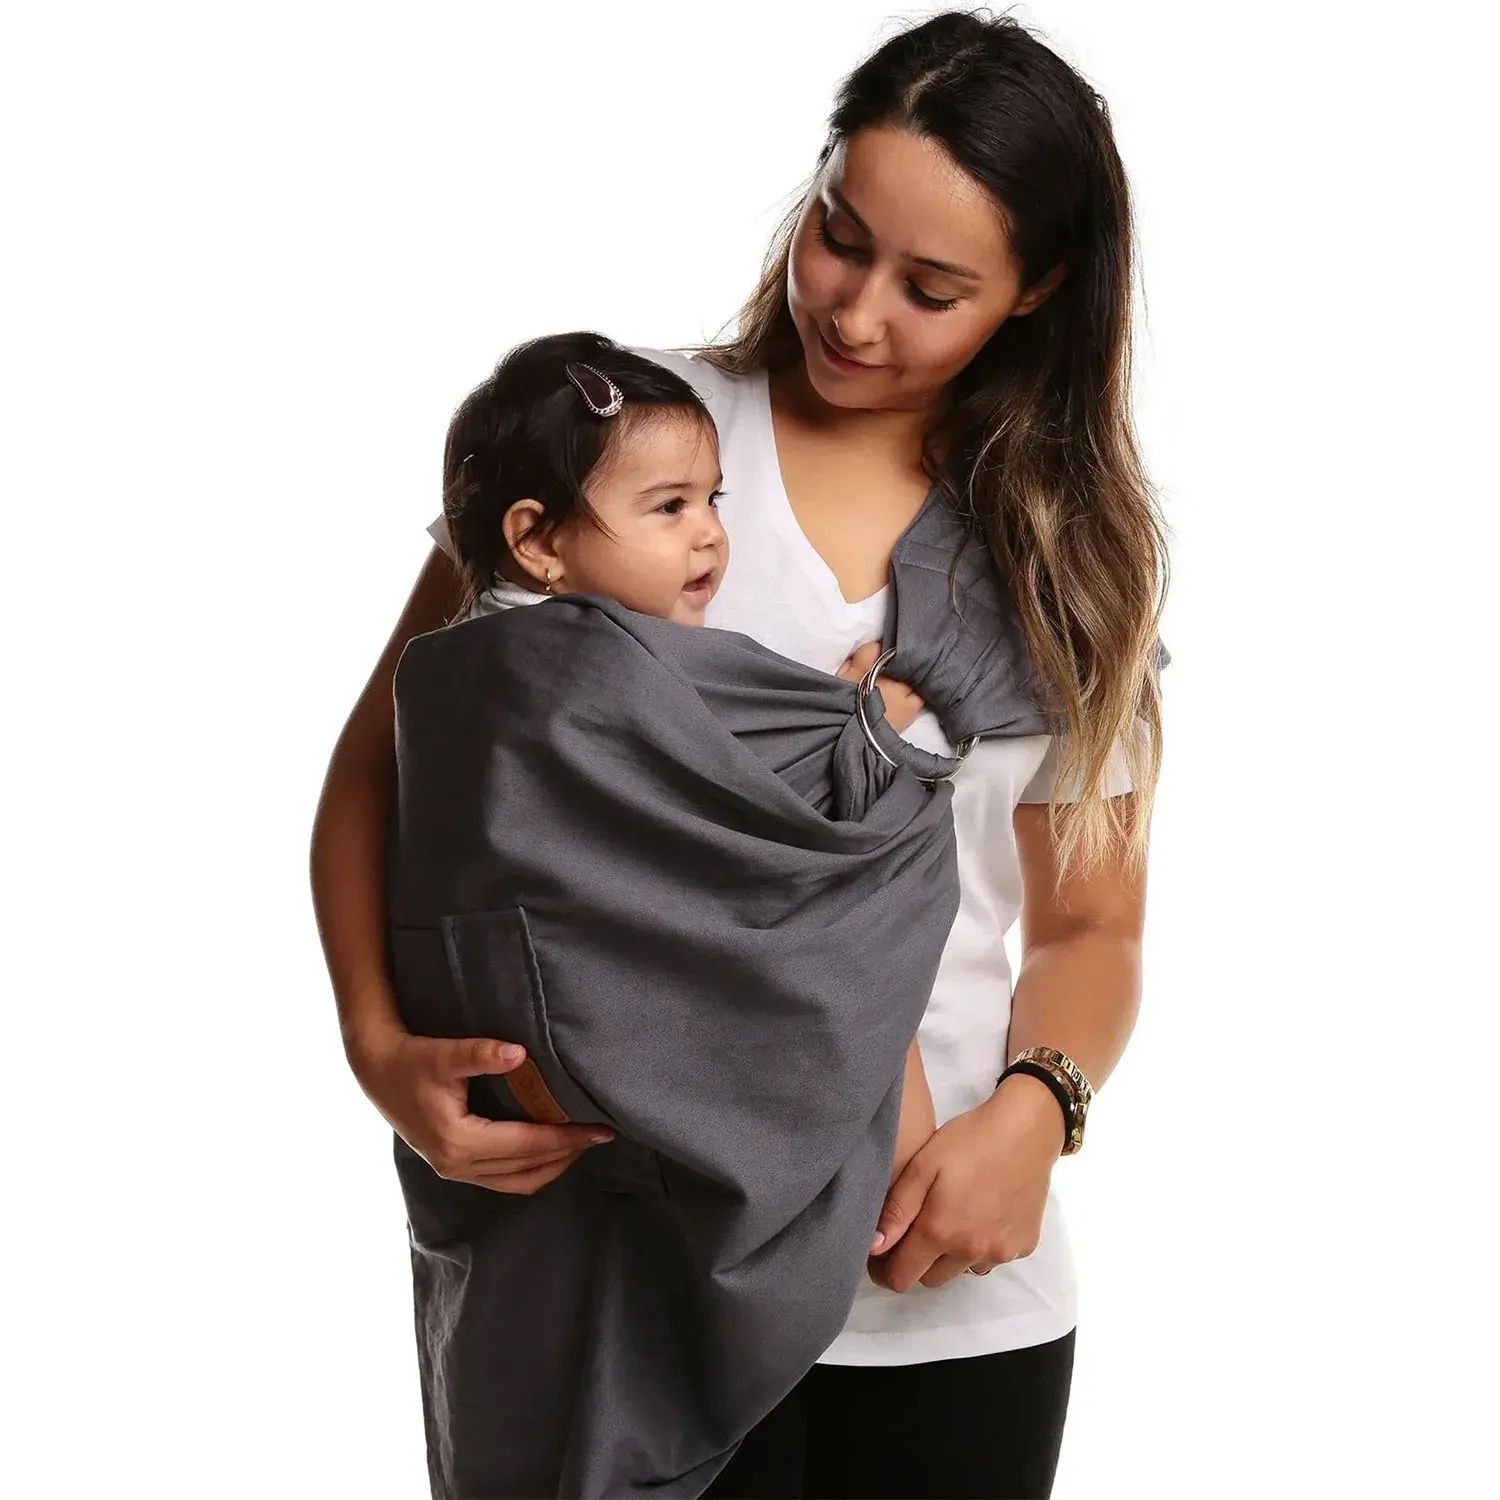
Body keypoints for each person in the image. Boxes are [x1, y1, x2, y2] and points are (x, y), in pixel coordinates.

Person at [311, 10, 1166, 1498]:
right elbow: (386, 768)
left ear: (1037, 292)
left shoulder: (1064, 558)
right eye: (842, 235)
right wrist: (380, 1048)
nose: (857, 312)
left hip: (943, 1286)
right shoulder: (620, 441)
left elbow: (1090, 926)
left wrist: (1037, 1116)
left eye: (932, 288)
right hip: (620, 1268)